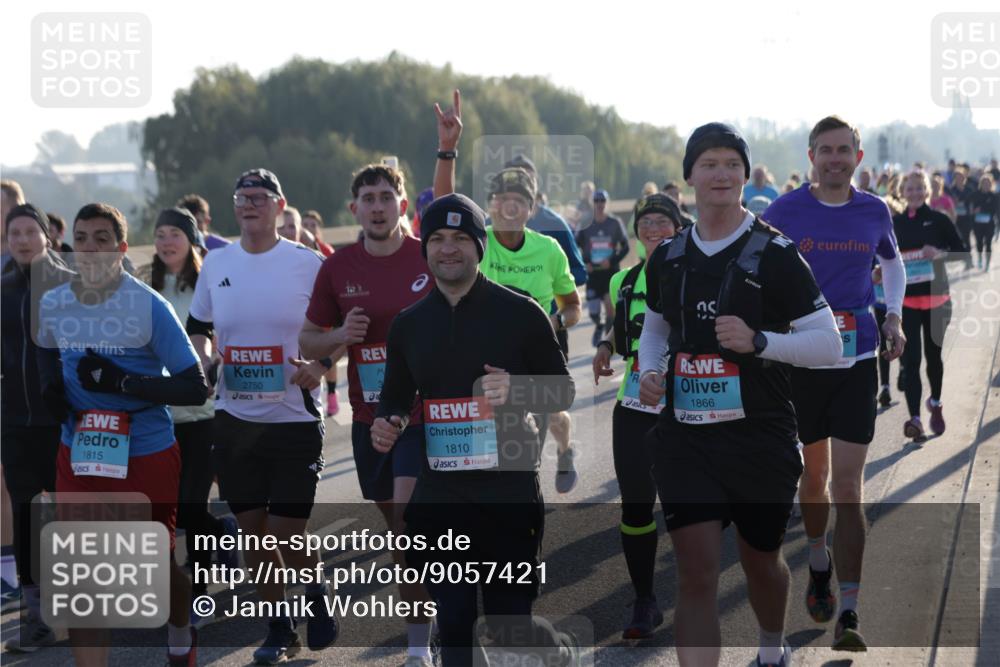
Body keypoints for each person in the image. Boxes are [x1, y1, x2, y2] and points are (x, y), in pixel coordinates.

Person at [638, 122, 842, 667]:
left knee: (761, 561)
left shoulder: (775, 253)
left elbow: (829, 342)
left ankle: (772, 649)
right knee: (697, 572)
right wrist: (649, 371)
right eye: (709, 164)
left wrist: (760, 342)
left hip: (761, 438)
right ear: (689, 178)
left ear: (746, 175)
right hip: (687, 442)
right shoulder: (668, 256)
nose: (721, 173)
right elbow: (656, 327)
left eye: (732, 163)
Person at [374, 192, 578, 667]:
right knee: (456, 621)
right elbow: (396, 395)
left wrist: (520, 389)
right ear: (425, 248)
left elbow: (564, 393)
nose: (448, 249)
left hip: (508, 489)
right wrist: (391, 422)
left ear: (479, 245)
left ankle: (555, 651)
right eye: (438, 239)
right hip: (443, 491)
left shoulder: (521, 312)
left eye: (461, 239)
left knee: (510, 625)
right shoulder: (409, 324)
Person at [35, 202, 211, 666]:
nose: (89, 249)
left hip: (146, 454)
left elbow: (195, 386)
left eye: (101, 239)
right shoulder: (54, 302)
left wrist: (122, 383)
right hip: (79, 453)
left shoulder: (148, 305)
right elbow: (47, 361)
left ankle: (179, 630)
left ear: (122, 249)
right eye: (81, 238)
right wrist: (51, 390)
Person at [764, 115, 906, 653]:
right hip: (800, 363)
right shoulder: (783, 212)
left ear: (859, 157)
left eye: (843, 150)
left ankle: (849, 609)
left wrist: (891, 316)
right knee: (813, 479)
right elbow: (757, 268)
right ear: (811, 158)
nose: (834, 159)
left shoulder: (873, 211)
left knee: (848, 486)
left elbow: (892, 265)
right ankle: (817, 560)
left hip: (856, 359)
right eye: (825, 150)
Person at [186, 169, 339, 663]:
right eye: (241, 198)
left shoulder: (308, 263)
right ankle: (279, 628)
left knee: (285, 532)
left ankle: (314, 594)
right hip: (234, 419)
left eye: (259, 197)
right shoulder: (217, 262)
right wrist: (206, 357)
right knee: (253, 531)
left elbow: (338, 331)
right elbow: (199, 325)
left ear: (279, 205)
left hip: (293, 419)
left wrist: (320, 365)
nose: (249, 204)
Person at [299, 163, 436, 666]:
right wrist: (338, 338)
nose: (377, 206)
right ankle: (435, 603)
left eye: (386, 196)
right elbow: (309, 338)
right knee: (400, 530)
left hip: (427, 415)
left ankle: (419, 648)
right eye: (368, 198)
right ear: (354, 208)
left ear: (402, 205)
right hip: (369, 417)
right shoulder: (338, 268)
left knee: (406, 525)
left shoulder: (428, 253)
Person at [431, 91, 585, 495]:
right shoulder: (479, 240)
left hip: (539, 346)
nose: (511, 207)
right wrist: (448, 151)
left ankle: (565, 450)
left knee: (551, 422)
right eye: (503, 199)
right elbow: (444, 203)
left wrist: (554, 320)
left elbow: (573, 306)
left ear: (532, 209)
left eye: (520, 201)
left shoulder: (548, 249)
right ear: (491, 204)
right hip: (490, 348)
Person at [138, 207, 240, 627]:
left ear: (192, 240)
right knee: (172, 508)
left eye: (174, 234)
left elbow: (227, 331)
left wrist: (217, 362)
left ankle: (197, 594)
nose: (165, 241)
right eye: (159, 234)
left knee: (190, 504)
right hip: (159, 415)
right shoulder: (145, 286)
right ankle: (223, 533)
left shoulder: (209, 284)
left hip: (204, 412)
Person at [592, 193, 682, 638]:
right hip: (633, 404)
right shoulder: (622, 281)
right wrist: (607, 345)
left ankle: (694, 592)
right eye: (645, 222)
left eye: (662, 221)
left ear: (679, 228)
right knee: (635, 504)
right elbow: (629, 326)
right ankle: (644, 600)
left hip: (690, 405)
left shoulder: (694, 274)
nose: (652, 228)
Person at [1, 204, 74, 652]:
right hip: (14, 421)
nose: (23, 240)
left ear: (47, 236)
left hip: (64, 420)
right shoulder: (2, 289)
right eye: (15, 234)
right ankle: (37, 616)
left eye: (30, 231)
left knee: (73, 511)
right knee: (28, 514)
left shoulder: (70, 285)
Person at [893, 170, 967, 442]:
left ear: (927, 191)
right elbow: (882, 259)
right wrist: (878, 271)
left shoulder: (939, 220)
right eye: (908, 188)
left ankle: (935, 403)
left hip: (938, 300)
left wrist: (938, 254)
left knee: (933, 358)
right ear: (902, 191)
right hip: (907, 302)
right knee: (911, 362)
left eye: (918, 188)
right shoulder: (894, 223)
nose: (913, 193)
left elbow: (963, 252)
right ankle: (914, 419)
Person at [576, 189, 630, 347]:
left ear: (607, 203)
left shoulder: (614, 223)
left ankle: (607, 341)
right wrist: (585, 263)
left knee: (610, 307)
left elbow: (625, 247)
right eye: (596, 201)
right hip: (593, 275)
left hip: (610, 273)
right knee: (593, 312)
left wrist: (612, 261)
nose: (599, 204)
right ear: (592, 204)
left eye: (602, 201)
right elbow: (575, 246)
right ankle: (598, 325)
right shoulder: (586, 224)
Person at [947, 168, 975, 269]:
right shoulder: (951, 190)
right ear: (954, 178)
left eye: (961, 177)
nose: (959, 179)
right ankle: (966, 259)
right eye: (957, 177)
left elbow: (973, 202)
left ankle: (969, 260)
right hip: (956, 217)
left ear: (964, 177)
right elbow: (949, 204)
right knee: (960, 239)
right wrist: (954, 203)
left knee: (967, 238)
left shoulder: (969, 189)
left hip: (967, 217)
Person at [971, 174, 999, 269]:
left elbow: (996, 209)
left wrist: (983, 208)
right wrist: (973, 210)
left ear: (991, 185)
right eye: (984, 183)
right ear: (981, 184)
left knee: (988, 243)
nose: (986, 185)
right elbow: (969, 206)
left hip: (989, 223)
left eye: (988, 184)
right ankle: (979, 258)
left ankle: (987, 263)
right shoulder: (975, 194)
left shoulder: (994, 196)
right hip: (977, 223)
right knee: (979, 243)